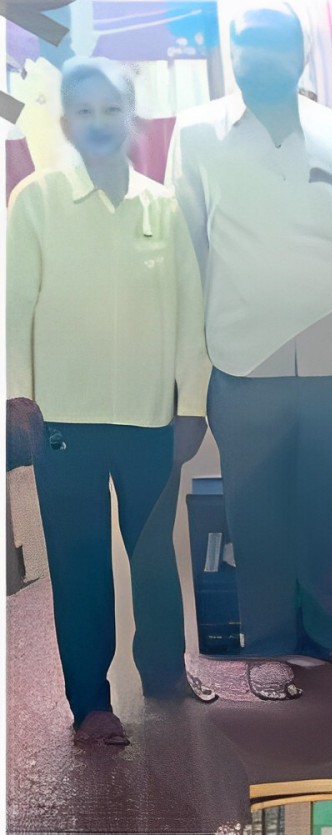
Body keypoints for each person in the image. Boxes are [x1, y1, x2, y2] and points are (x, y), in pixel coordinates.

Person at [169, 3, 332, 674]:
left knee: (325, 505)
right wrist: (186, 368)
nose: (256, 60)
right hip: (243, 360)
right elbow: (185, 252)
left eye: (272, 48)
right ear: (232, 56)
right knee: (254, 514)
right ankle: (269, 644)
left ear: (299, 56)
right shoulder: (197, 134)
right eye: (245, 49)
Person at [6, 58, 212, 745]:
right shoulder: (34, 200)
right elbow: (13, 308)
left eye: (111, 109)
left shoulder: (162, 205)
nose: (98, 122)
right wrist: (16, 397)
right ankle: (91, 702)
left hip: (151, 419)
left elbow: (189, 312)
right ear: (65, 122)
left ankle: (166, 671)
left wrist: (192, 403)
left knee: (154, 556)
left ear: (131, 119)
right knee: (80, 562)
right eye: (84, 111)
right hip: (61, 422)